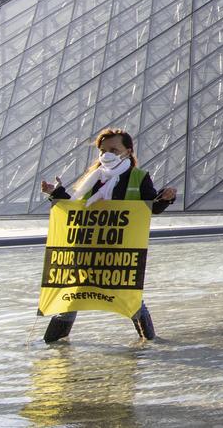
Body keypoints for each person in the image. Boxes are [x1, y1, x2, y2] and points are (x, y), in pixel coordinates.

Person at [39, 128, 177, 343]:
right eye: (102, 150)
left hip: (119, 250)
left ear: (128, 151)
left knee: (129, 296)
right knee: (73, 294)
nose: (106, 155)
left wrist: (167, 198)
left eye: (114, 149)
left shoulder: (138, 177)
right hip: (86, 247)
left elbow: (153, 207)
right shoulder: (93, 178)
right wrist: (56, 193)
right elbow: (76, 209)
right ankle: (53, 345)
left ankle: (150, 342)